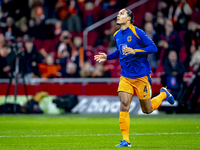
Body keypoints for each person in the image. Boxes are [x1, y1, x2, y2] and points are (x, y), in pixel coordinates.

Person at [94, 8, 175, 148]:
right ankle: (126, 140)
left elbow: (153, 47)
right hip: (126, 76)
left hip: (141, 76)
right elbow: (120, 51)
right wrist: (107, 57)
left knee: (147, 110)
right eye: (118, 13)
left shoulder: (137, 32)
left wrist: (135, 51)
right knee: (124, 104)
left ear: (129, 18)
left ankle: (163, 94)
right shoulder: (117, 35)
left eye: (122, 14)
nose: (118, 15)